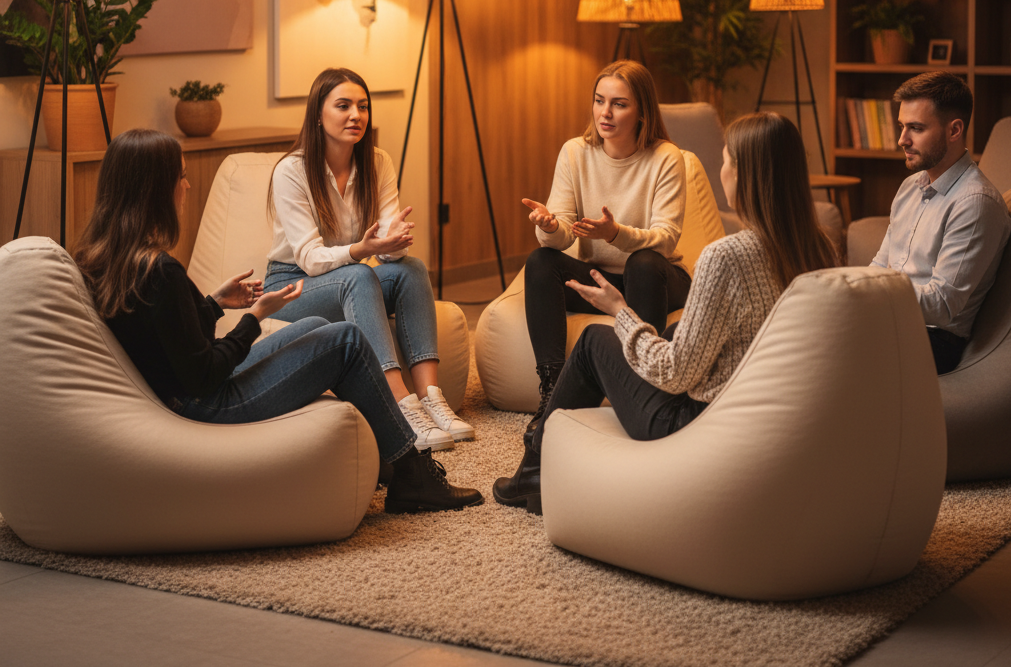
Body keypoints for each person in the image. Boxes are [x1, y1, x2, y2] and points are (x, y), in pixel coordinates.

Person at [73, 129, 482, 514]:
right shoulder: (161, 270)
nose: (188, 186)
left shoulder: (108, 260)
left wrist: (214, 303)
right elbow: (205, 374)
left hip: (187, 394)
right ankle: (411, 474)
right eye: (181, 177)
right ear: (155, 190)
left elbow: (170, 340)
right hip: (208, 404)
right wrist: (254, 317)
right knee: (346, 341)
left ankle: (384, 456)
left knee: (316, 328)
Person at [494, 112, 838, 513]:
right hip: (768, 416)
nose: (722, 170)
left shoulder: (725, 256)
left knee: (592, 342)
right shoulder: (819, 249)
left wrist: (620, 310)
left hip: (697, 423)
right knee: (674, 332)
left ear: (745, 175)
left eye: (726, 160)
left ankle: (535, 469)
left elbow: (674, 375)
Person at [265, 67, 472, 452]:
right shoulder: (292, 170)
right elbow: (309, 259)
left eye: (362, 106)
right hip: (290, 287)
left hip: (347, 277)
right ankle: (399, 407)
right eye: (343, 106)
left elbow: (390, 249)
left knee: (411, 268)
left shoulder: (378, 161)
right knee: (359, 275)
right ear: (318, 114)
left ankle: (431, 398)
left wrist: (393, 242)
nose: (356, 115)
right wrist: (362, 250)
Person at [519, 60, 694, 435]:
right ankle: (552, 392)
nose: (605, 112)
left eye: (619, 104)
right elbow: (563, 232)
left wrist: (615, 234)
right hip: (601, 279)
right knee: (541, 261)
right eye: (599, 101)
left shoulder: (666, 157)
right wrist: (550, 227)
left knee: (643, 263)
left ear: (642, 111)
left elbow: (666, 238)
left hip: (657, 278)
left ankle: (641, 391)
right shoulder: (575, 152)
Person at [871, 71, 1011, 374]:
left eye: (916, 128)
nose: (902, 140)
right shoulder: (909, 187)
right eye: (902, 126)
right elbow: (881, 264)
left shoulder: (975, 202)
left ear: (954, 130)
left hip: (934, 339)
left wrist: (868, 294)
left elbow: (943, 305)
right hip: (890, 320)